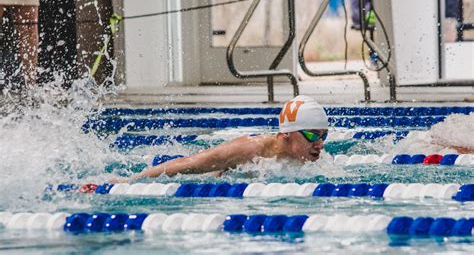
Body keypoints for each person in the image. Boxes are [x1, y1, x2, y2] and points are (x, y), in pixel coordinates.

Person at [111, 95, 329, 183]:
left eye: (323, 136)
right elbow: (189, 163)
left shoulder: (309, 157)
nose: (319, 144)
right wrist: (129, 181)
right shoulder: (250, 149)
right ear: (287, 133)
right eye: (312, 135)